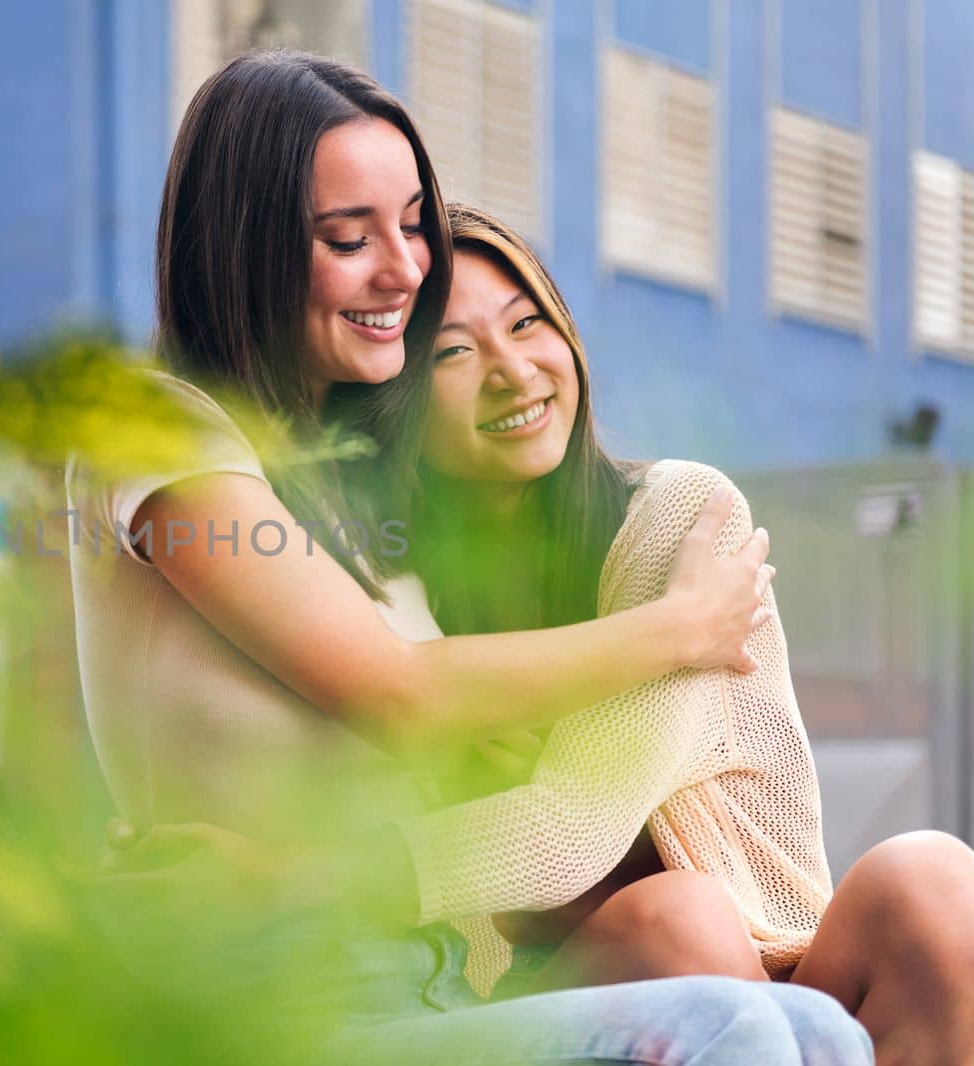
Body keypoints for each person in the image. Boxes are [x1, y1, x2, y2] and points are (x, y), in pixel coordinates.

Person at [67, 49, 870, 1063]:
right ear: (246, 247)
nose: (403, 266)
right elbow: (401, 690)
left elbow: (489, 765)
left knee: (819, 1032)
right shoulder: (156, 425)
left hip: (420, 987)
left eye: (410, 222)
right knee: (727, 1020)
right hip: (267, 1000)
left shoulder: (357, 512)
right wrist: (676, 628)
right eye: (347, 238)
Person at [399, 200, 974, 1065]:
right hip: (543, 996)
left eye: (528, 323)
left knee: (933, 882)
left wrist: (313, 874)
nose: (514, 372)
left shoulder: (678, 519)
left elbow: (569, 829)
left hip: (774, 964)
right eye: (452, 350)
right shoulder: (388, 589)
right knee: (675, 921)